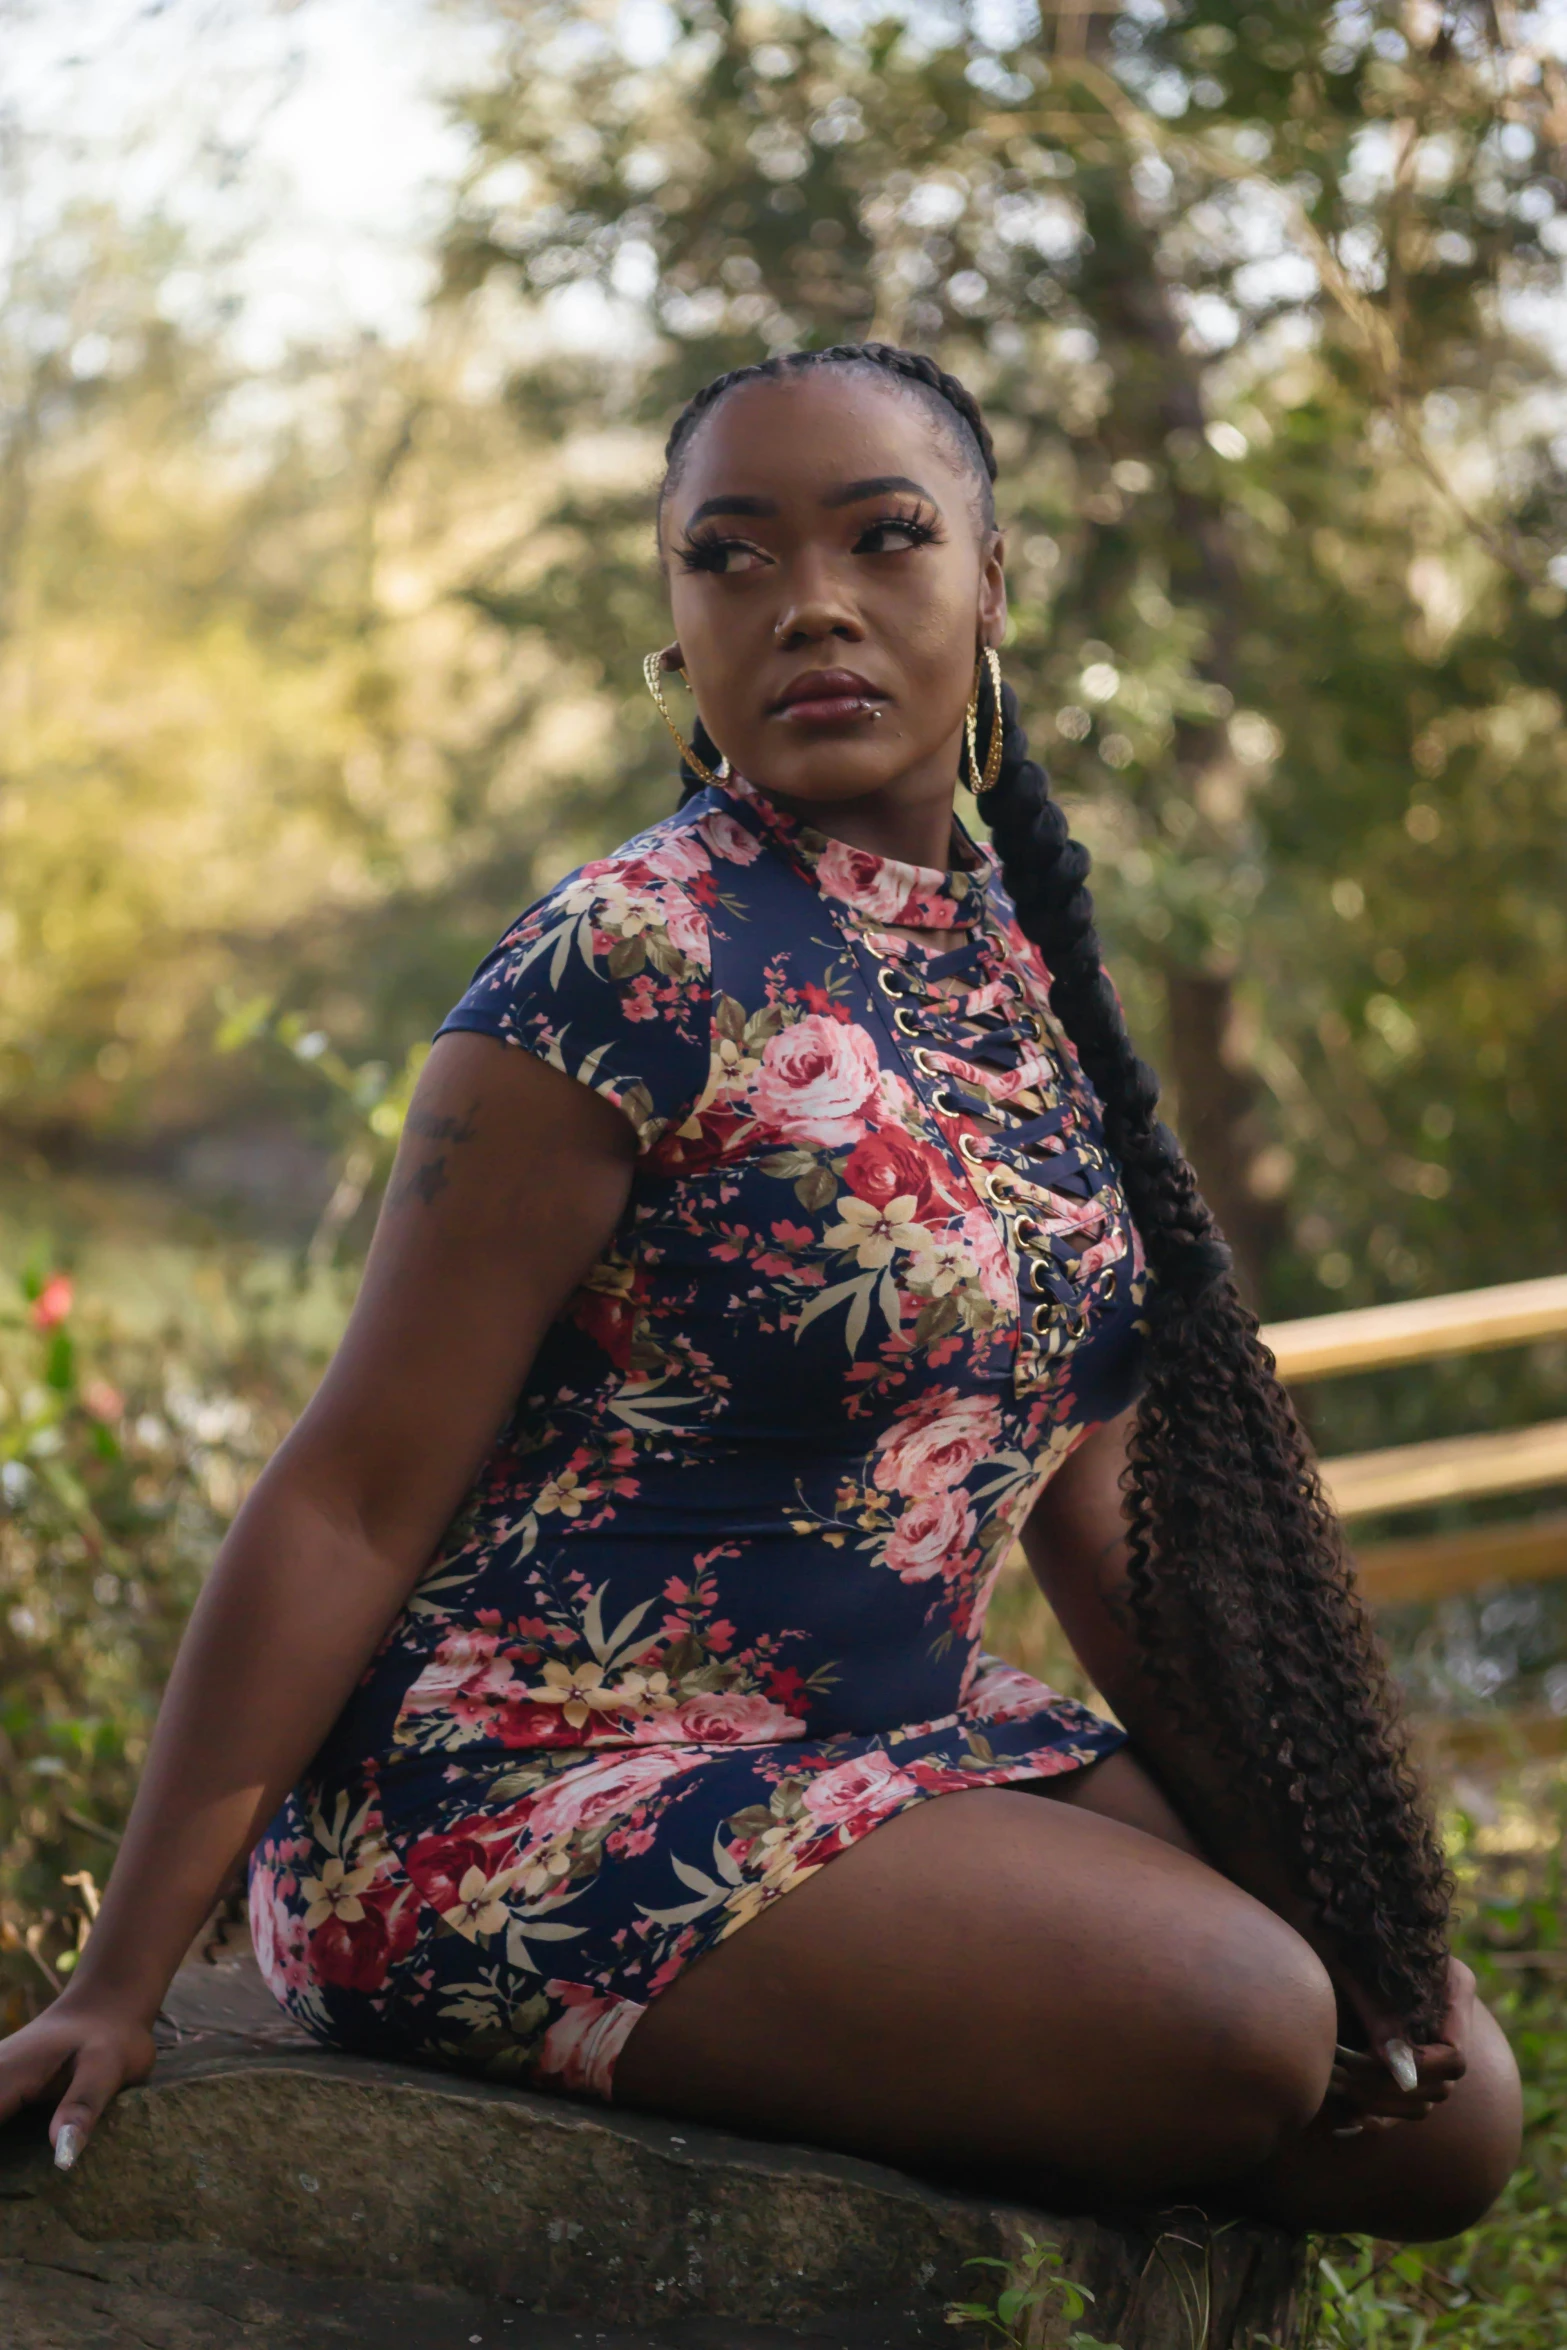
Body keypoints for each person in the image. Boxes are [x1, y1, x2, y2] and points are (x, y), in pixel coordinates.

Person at [0, 345, 1520, 2237]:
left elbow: (1096, 1498)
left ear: (987, 578)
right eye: (730, 556)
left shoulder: (1015, 967)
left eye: (886, 537)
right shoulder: (616, 965)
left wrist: (1316, 1869)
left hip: (891, 1734)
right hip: (527, 1783)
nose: (810, 602)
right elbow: (350, 1489)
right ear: (676, 622)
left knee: (1441, 2113)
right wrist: (122, 1977)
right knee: (1237, 2019)